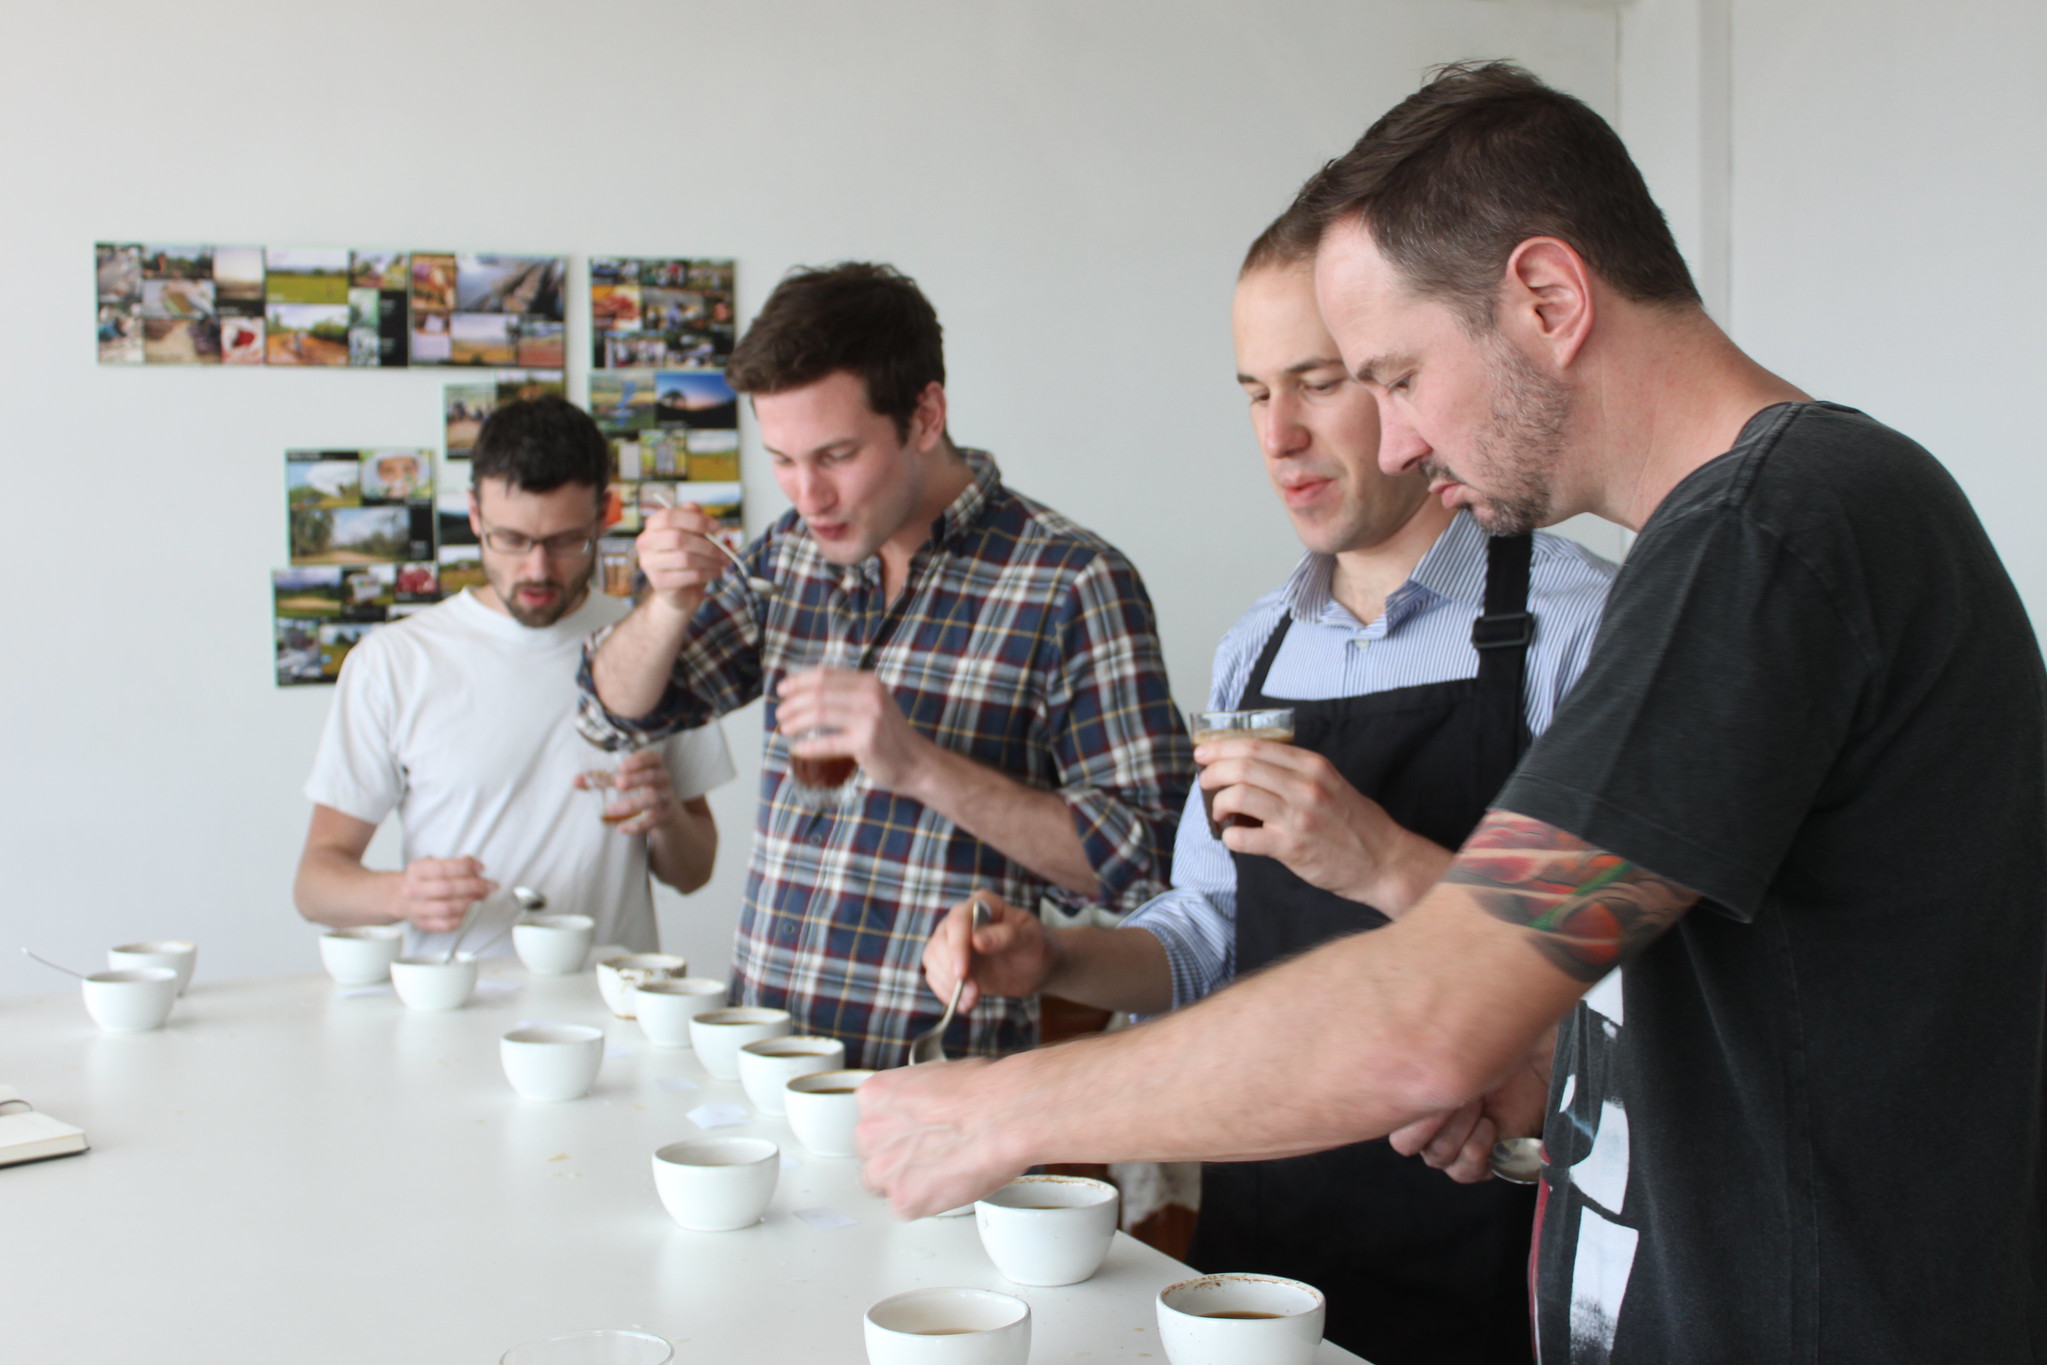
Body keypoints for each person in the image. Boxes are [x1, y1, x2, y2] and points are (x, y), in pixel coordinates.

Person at [858, 62, 2047, 1365]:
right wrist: (1561, 1086)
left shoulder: (1769, 530)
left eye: (1395, 375)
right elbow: (1744, 1002)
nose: (1400, 440)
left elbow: (1429, 1012)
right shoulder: (1751, 532)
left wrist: (996, 1107)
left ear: (1544, 299)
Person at [918, 215, 1612, 1363]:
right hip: (1263, 1242)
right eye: (1251, 393)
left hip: (1486, 1235)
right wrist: (1058, 956)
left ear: (1403, 383)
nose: (1279, 436)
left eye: (1318, 383)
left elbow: (1621, 983)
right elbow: (1206, 931)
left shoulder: (1576, 627)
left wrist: (1375, 852)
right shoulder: (1259, 650)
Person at [577, 261, 1192, 1069]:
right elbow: (614, 712)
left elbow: (1152, 859)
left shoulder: (1071, 584)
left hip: (938, 1085)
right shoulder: (790, 555)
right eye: (782, 458)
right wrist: (666, 603)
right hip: (761, 1066)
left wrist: (923, 768)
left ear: (925, 414)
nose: (806, 495)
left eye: (835, 454)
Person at [296, 396, 735, 957]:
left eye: (563, 541)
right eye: (510, 540)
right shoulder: (394, 661)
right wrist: (400, 893)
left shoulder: (654, 640)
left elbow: (694, 871)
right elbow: (314, 884)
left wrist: (667, 816)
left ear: (604, 514)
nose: (537, 570)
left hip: (611, 1016)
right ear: (475, 515)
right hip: (454, 1014)